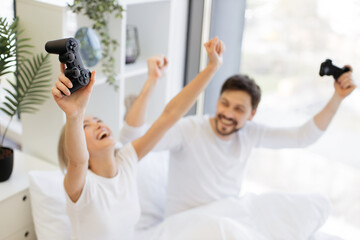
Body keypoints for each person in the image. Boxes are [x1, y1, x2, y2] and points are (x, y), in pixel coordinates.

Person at [121, 64, 356, 217]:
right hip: (186, 226)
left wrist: (338, 97)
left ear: (252, 114)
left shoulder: (250, 134)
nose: (229, 114)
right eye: (224, 103)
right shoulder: (189, 129)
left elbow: (303, 137)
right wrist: (151, 81)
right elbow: (133, 138)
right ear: (217, 101)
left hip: (228, 219)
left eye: (239, 109)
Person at [52, 37, 225, 240]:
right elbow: (77, 160)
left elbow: (170, 115)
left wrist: (212, 67)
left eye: (97, 119)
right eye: (85, 126)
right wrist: (75, 115)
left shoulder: (126, 161)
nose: (98, 124)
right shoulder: (81, 187)